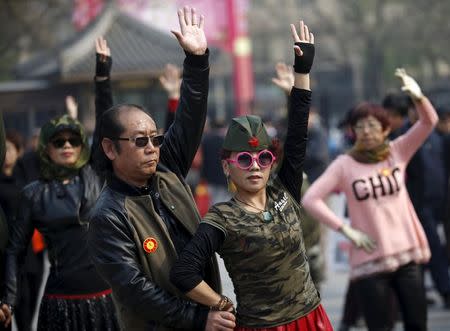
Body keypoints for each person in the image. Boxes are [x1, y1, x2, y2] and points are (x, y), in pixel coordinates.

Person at [170, 20, 333, 330]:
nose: (255, 165)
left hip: (312, 319)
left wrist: (302, 72)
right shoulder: (222, 218)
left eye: (263, 158)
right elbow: (183, 273)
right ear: (226, 166)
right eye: (244, 159)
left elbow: (297, 134)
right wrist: (219, 305)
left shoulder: (283, 191)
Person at [87, 7, 235, 330]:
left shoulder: (167, 170)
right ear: (110, 148)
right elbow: (136, 291)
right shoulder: (107, 216)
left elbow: (189, 120)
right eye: (140, 141)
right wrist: (199, 319)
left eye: (155, 138)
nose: (153, 148)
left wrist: (197, 62)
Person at [302, 68, 438, 331]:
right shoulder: (344, 164)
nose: (366, 131)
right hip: (369, 261)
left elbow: (428, 123)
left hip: (406, 255)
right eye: (359, 126)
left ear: (386, 129)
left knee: (417, 324)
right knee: (380, 327)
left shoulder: (397, 152)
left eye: (372, 125)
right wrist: (345, 229)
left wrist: (419, 97)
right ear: (352, 131)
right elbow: (312, 199)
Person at [0, 39, 119, 330]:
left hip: (105, 296)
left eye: (74, 140)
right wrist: (8, 299)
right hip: (60, 301)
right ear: (46, 148)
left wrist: (102, 76)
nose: (67, 145)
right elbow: (15, 251)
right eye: (58, 141)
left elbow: (106, 123)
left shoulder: (94, 174)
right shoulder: (34, 193)